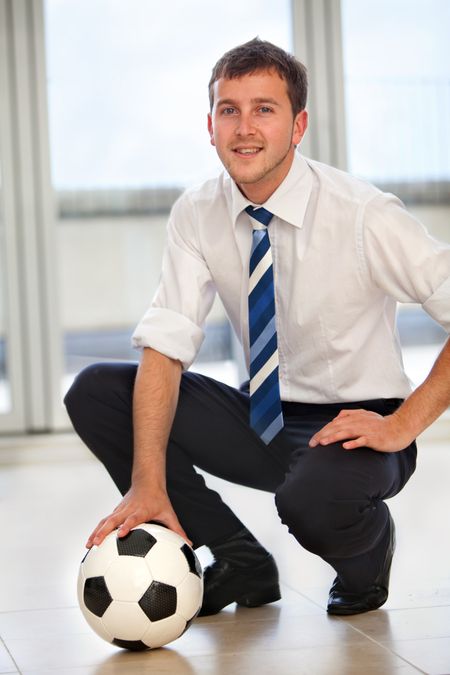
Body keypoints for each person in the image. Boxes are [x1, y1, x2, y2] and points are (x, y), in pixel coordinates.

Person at [65, 38, 450, 616]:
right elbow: (167, 347)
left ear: (298, 126)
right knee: (97, 392)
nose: (244, 128)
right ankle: (240, 560)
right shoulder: (197, 213)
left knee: (314, 502)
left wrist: (400, 426)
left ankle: (368, 557)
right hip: (262, 418)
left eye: (264, 110)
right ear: (211, 126)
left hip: (354, 429)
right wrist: (148, 482)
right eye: (230, 110)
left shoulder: (363, 214)